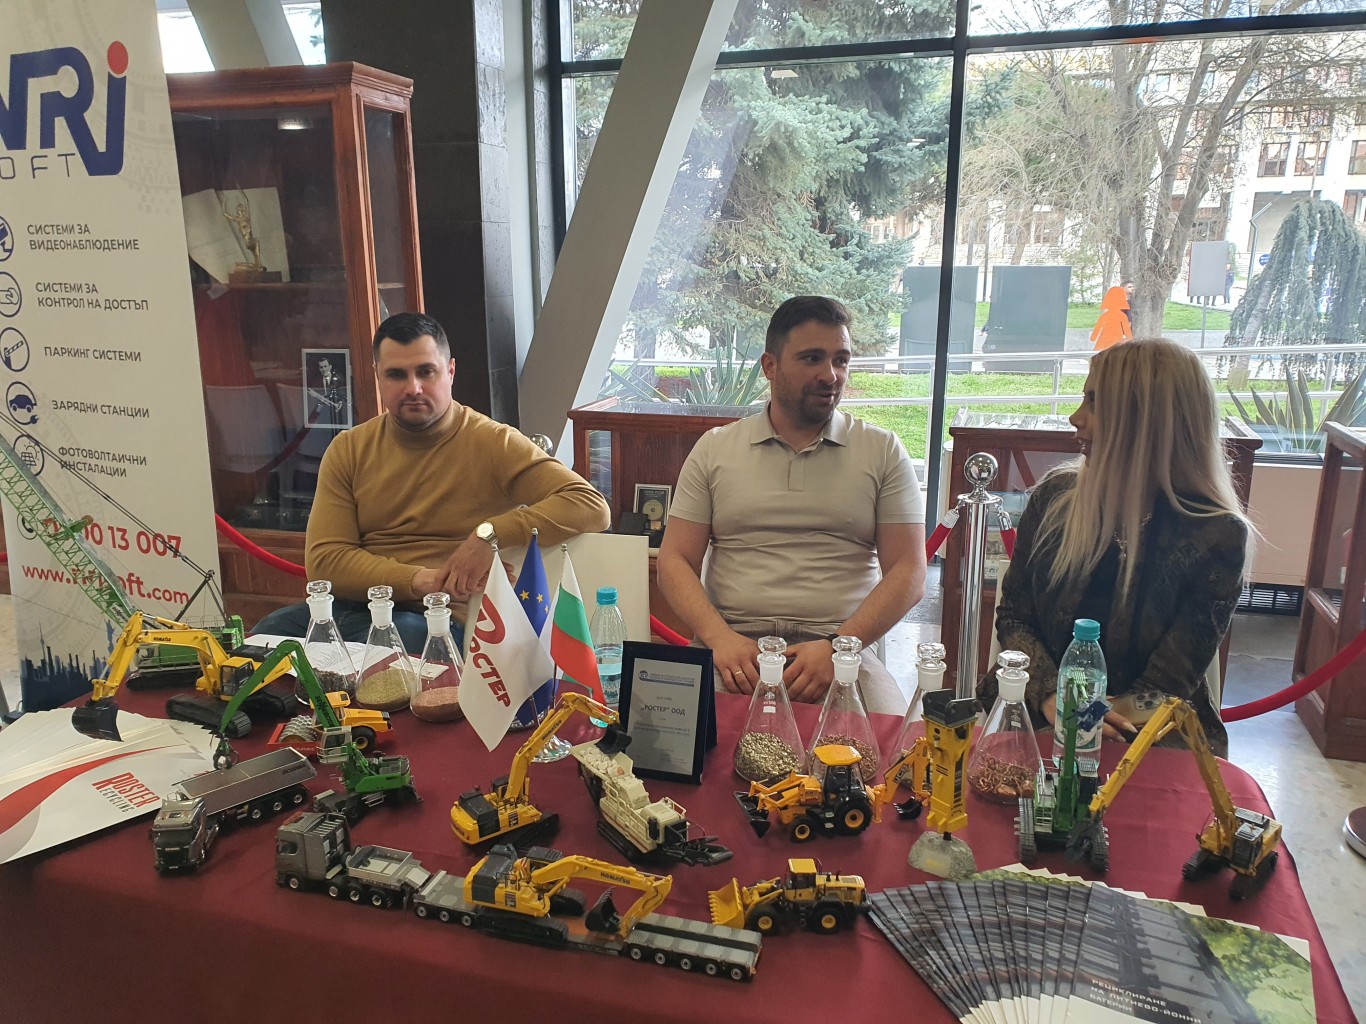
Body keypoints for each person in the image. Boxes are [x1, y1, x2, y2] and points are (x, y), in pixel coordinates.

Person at [254, 312, 610, 651]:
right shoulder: (348, 449)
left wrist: (489, 534)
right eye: (396, 375)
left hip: (438, 619)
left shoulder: (493, 442)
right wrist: (424, 580)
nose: (413, 388)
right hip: (355, 607)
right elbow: (325, 562)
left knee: (396, 645)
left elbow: (590, 505)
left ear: (450, 372)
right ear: (377, 377)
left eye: (426, 372)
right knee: (262, 639)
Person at [977, 338, 1249, 756]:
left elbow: (1169, 682)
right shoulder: (1054, 498)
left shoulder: (1217, 534)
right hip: (1039, 712)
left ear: (1146, 421)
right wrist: (1052, 696)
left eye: (1094, 402)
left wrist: (1082, 721)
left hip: (1152, 737)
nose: (1075, 418)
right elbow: (1015, 616)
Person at [657, 296, 927, 715]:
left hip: (842, 648)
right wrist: (720, 639)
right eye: (812, 358)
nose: (831, 375)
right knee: (670, 744)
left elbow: (909, 571)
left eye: (841, 360)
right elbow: (674, 560)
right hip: (733, 648)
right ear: (770, 366)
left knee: (887, 748)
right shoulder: (715, 449)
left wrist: (840, 646)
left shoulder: (883, 451)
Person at [1089, 285, 1132, 351]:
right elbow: (1127, 331)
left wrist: (1093, 337)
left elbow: (1098, 327)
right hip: (1117, 340)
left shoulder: (1105, 315)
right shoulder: (1122, 316)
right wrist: (1130, 340)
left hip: (1104, 340)